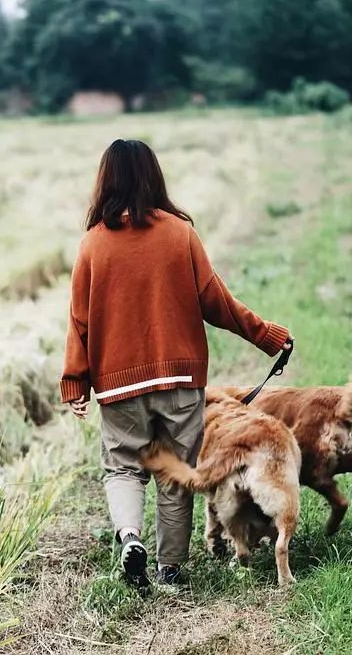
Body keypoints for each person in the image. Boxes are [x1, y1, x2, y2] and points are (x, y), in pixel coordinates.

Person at [60, 139, 293, 588]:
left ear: (104, 181)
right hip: (180, 381)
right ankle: (170, 569)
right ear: (154, 177)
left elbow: (79, 321)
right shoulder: (179, 233)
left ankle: (131, 538)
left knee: (123, 467)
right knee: (173, 474)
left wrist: (75, 382)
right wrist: (268, 336)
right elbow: (217, 302)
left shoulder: (92, 246)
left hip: (118, 385)